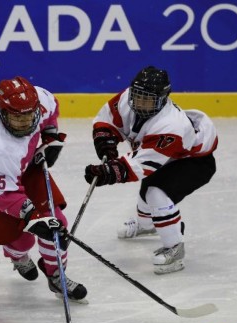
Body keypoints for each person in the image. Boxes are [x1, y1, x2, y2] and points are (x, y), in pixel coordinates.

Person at [0, 76, 88, 302]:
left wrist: (51, 134)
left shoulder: (37, 102)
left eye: (29, 115)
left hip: (24, 170)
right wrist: (32, 215)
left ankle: (56, 275)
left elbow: (51, 105)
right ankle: (17, 255)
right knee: (21, 240)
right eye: (17, 117)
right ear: (2, 112)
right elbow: (3, 195)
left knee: (56, 222)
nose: (26, 122)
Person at [84, 65, 218, 274]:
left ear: (163, 98)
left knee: (157, 194)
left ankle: (175, 248)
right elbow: (107, 119)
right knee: (147, 192)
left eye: (147, 99)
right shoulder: (127, 98)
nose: (140, 102)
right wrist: (106, 141)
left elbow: (140, 165)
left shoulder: (172, 126)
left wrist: (108, 172)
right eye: (138, 96)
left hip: (193, 162)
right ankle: (147, 225)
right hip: (164, 157)